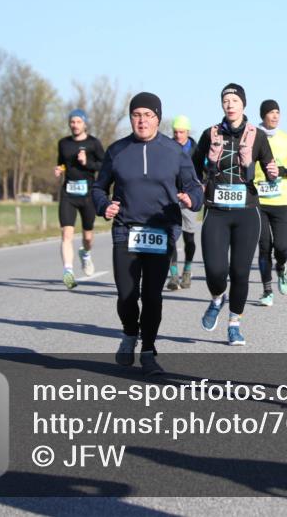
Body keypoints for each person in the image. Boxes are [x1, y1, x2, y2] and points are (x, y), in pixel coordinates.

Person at [92, 93, 203, 375]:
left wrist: (191, 199)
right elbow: (98, 188)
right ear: (131, 118)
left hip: (161, 231)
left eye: (148, 115)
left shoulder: (174, 152)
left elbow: (194, 187)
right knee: (127, 294)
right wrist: (104, 205)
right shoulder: (117, 150)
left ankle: (149, 350)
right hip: (125, 230)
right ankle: (130, 333)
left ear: (158, 118)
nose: (142, 121)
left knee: (152, 295)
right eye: (136, 115)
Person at [194, 84, 278, 346]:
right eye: (226, 100)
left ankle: (234, 324)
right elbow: (194, 167)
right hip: (216, 211)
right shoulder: (210, 134)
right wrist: (193, 188)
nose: (230, 104)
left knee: (240, 272)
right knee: (215, 271)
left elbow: (269, 165)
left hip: (246, 212)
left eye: (234, 100)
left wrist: (273, 173)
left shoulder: (258, 136)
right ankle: (217, 298)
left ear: (243, 104)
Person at [54, 109, 106, 290]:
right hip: (68, 193)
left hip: (88, 194)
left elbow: (104, 164)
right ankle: (68, 271)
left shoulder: (93, 143)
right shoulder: (63, 143)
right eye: (72, 122)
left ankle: (85, 253)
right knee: (66, 233)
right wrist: (59, 169)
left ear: (84, 123)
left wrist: (87, 164)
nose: (74, 125)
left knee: (88, 236)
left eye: (78, 122)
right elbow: (61, 162)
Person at [254, 99, 287, 307]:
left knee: (280, 247)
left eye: (278, 112)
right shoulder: (252, 137)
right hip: (258, 201)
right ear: (263, 115)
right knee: (264, 247)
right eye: (271, 112)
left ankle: (281, 266)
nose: (275, 116)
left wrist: (283, 171)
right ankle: (267, 290)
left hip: (281, 200)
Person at [166, 115, 201, 291]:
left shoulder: (196, 149)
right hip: (171, 196)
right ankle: (173, 275)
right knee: (171, 236)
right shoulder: (167, 147)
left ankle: (186, 271)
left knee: (189, 237)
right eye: (175, 132)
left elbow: (204, 170)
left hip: (189, 197)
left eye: (181, 132)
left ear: (188, 132)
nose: (178, 135)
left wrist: (200, 189)